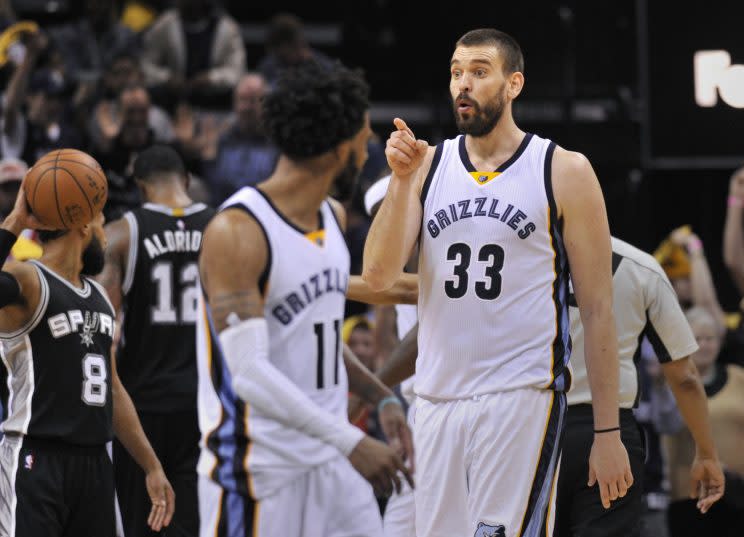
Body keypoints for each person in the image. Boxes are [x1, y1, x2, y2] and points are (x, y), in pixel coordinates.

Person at [362, 28, 630, 537]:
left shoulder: (563, 169)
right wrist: (399, 181)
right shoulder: (427, 167)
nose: (463, 83)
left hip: (521, 397)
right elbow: (377, 277)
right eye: (456, 72)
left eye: (479, 71)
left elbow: (597, 310)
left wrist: (607, 431)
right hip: (437, 400)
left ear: (514, 84)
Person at [196, 60, 413, 537]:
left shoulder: (332, 217)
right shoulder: (238, 231)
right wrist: (351, 440)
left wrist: (379, 398)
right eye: (363, 133)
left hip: (332, 462)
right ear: (339, 150)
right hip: (260, 475)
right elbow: (249, 370)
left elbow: (314, 337)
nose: (370, 142)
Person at [0, 180, 174, 536]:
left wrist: (151, 465)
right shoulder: (28, 278)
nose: (106, 235)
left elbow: (112, 389)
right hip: (36, 457)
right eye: (101, 220)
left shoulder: (98, 295)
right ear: (82, 223)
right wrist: (18, 220)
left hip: (95, 461)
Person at [555, 238, 724, 537]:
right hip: (609, 432)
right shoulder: (641, 266)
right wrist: (707, 453)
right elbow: (684, 377)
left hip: (530, 427)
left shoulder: (525, 257)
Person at [98, 145, 214, 537]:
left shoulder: (120, 235)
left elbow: (102, 335)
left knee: (144, 523)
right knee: (197, 525)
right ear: (185, 180)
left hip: (141, 408)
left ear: (141, 188)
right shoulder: (224, 228)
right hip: (205, 405)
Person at [661, 308, 744, 537]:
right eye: (697, 338)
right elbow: (664, 423)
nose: (704, 345)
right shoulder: (671, 382)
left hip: (738, 494)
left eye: (710, 339)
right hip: (689, 496)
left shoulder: (739, 377)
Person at [201, 73, 277, 205]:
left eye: (252, 101)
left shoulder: (278, 143)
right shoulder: (221, 140)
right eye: (241, 100)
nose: (245, 108)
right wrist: (209, 159)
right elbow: (214, 189)